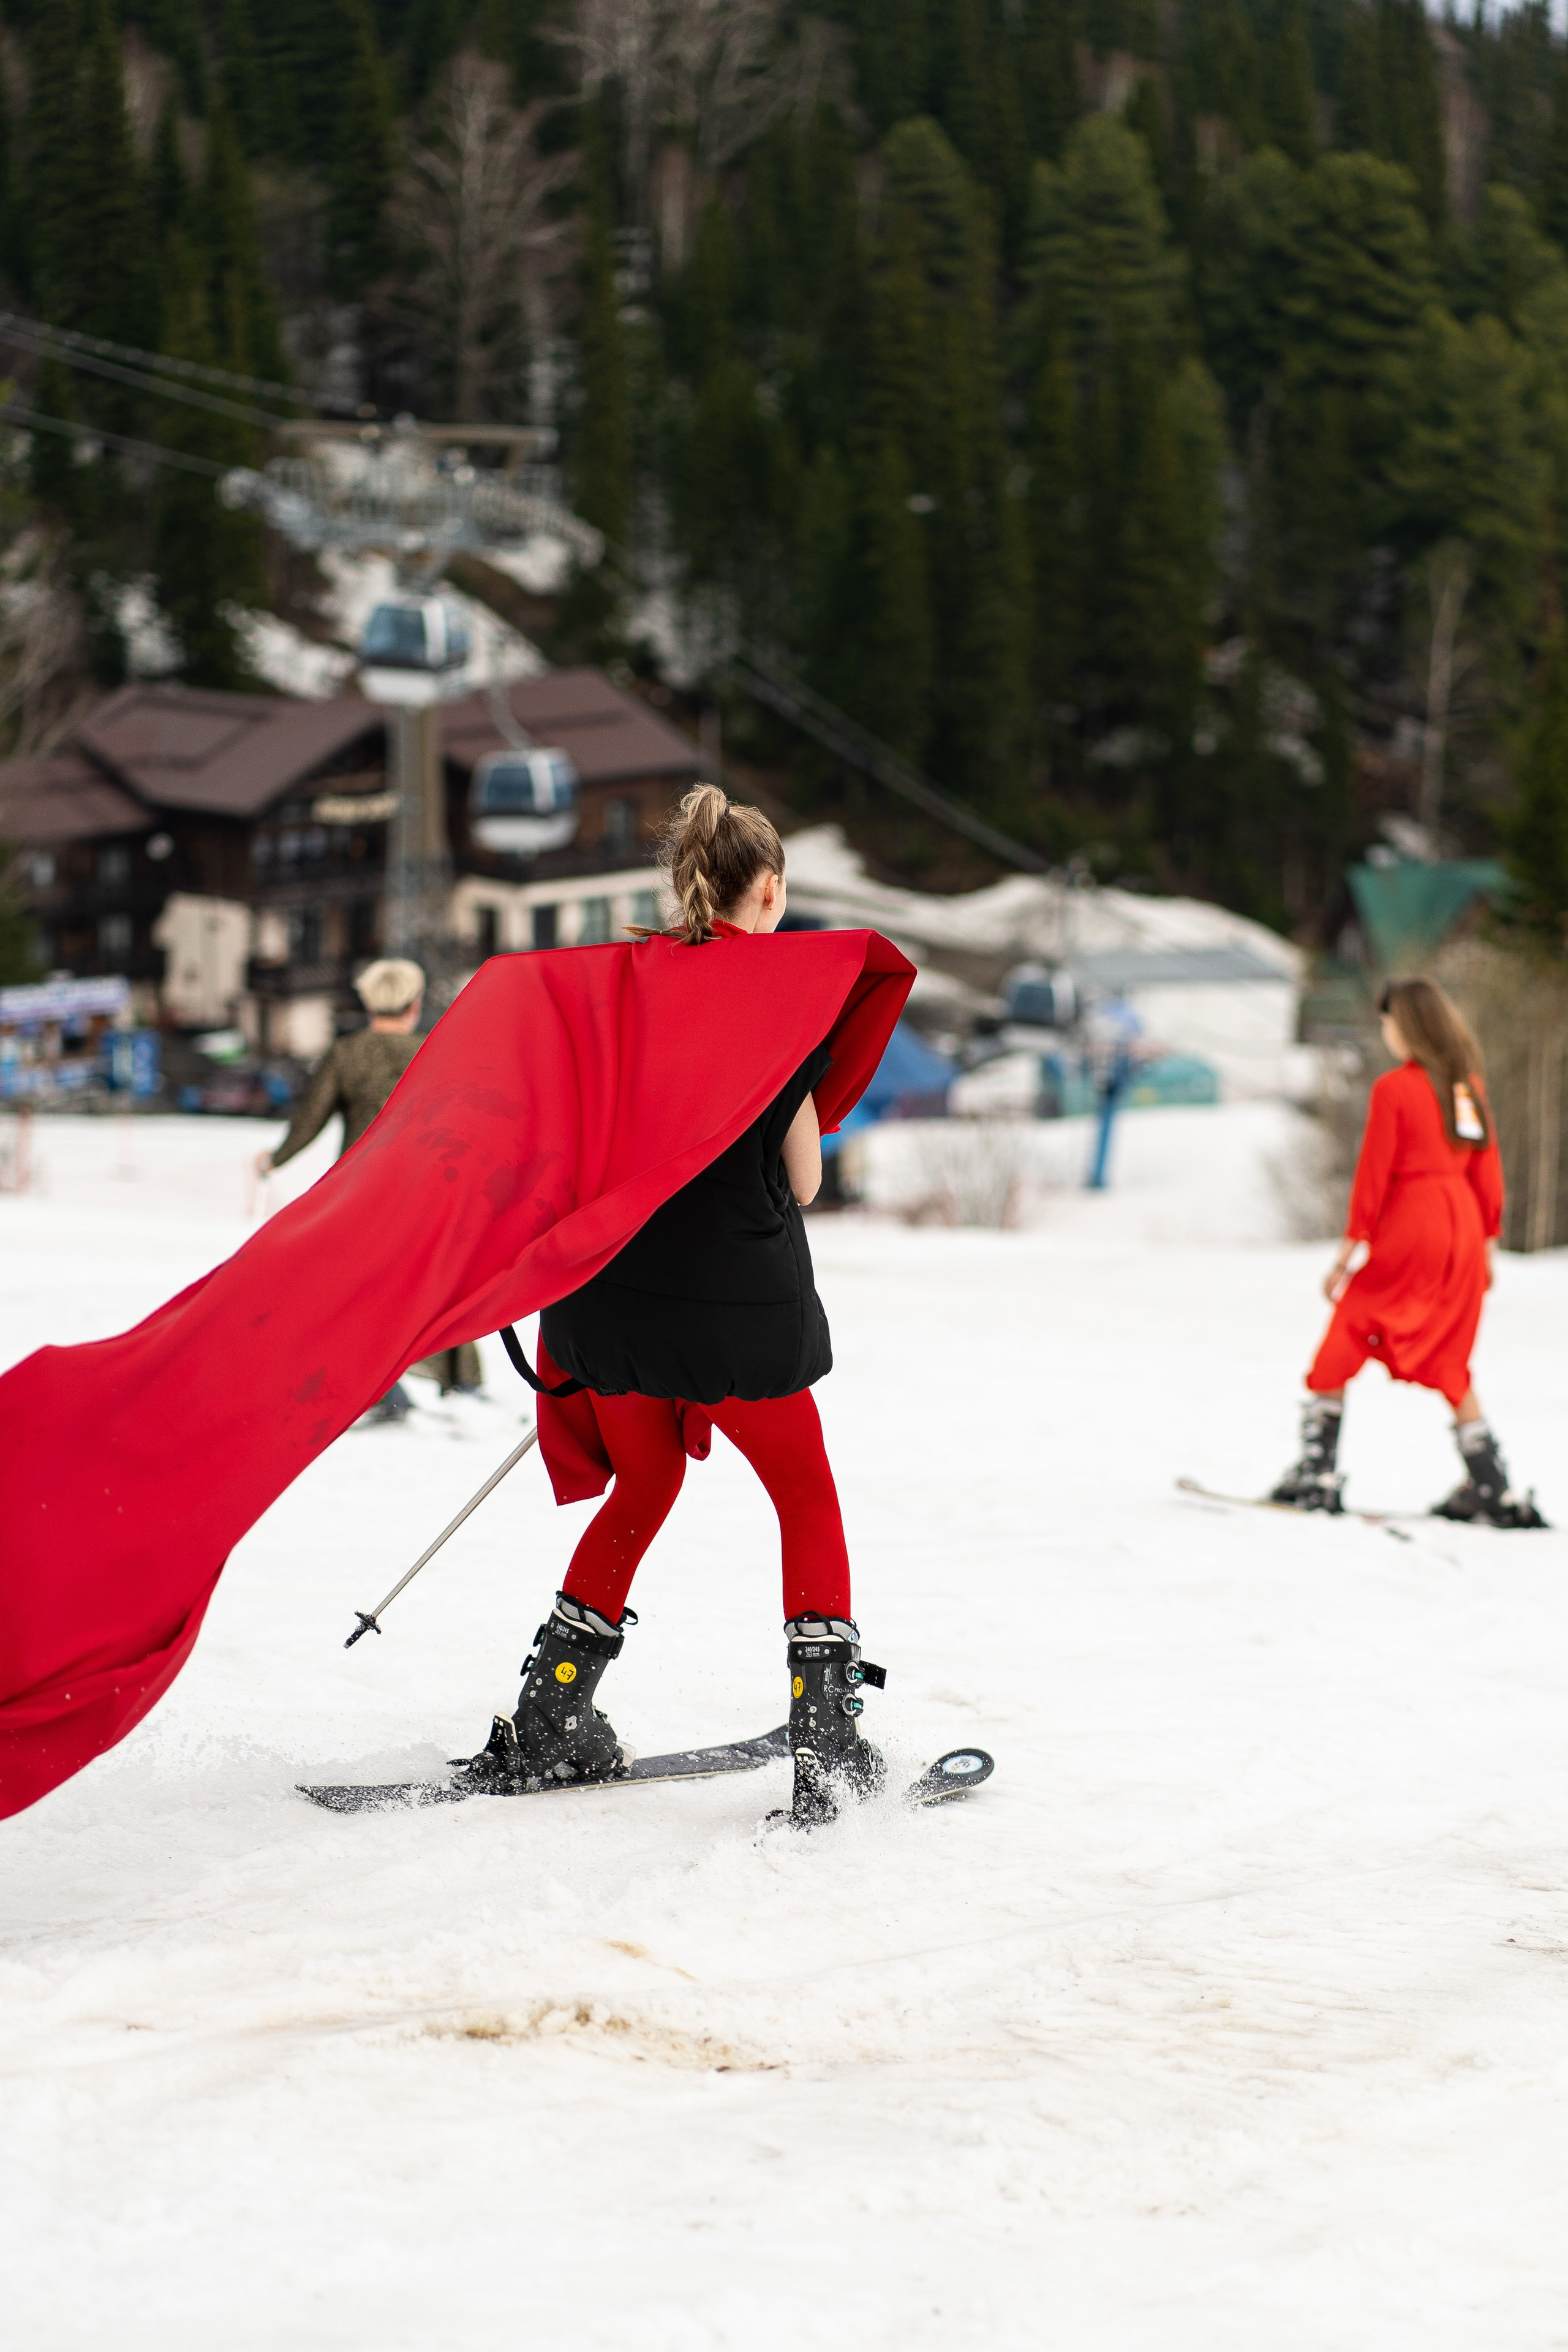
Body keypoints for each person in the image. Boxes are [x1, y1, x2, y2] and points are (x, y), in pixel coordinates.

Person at [455, 785, 884, 1827]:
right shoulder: (783, 1011)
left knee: (644, 1484)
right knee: (805, 1496)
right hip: (735, 1319)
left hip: (606, 1311)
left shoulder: (618, 996)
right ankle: (826, 1747)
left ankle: (551, 1719)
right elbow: (805, 1182)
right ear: (768, 890)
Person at [1270, 976, 1545, 1527]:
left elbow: (1375, 1173)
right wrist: (1486, 1247)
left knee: (1350, 1324)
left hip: (1414, 1225)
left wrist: (1348, 1252)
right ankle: (1491, 1485)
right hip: (1463, 1230)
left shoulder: (1395, 1088)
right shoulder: (1465, 1088)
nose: (1386, 1031)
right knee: (1449, 1354)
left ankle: (1316, 1471)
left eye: (1389, 1021)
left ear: (1409, 1025)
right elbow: (1487, 1170)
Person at [258, 959, 482, 1417]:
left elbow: (310, 1120)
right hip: (424, 1189)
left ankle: (377, 1386)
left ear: (367, 1003)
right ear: (415, 1004)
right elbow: (462, 1125)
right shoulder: (435, 1050)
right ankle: (461, 1382)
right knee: (435, 1283)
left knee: (361, 1288)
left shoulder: (347, 1053)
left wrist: (275, 1159)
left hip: (361, 1192)